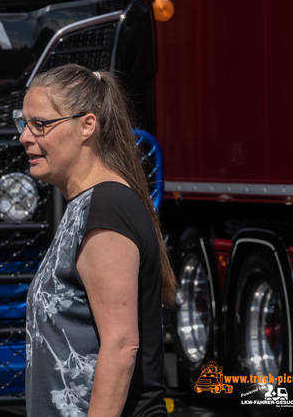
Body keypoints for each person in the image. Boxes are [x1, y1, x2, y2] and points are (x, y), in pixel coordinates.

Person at [18, 64, 177, 417]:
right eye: (24, 123)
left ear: (87, 125)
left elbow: (121, 346)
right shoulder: (87, 206)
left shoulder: (107, 206)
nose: (25, 137)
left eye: (40, 124)